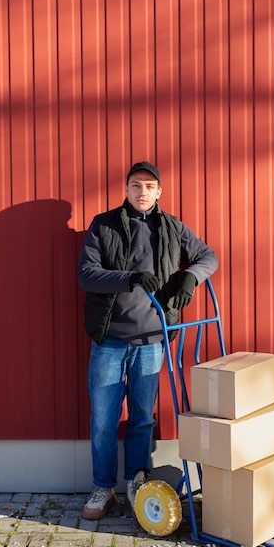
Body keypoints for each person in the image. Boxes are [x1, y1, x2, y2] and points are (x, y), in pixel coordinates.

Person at [77, 161, 218, 520]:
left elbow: (208, 256)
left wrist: (192, 278)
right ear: (126, 189)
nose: (143, 192)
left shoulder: (172, 227)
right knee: (103, 419)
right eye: (136, 185)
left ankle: (137, 481)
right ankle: (103, 487)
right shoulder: (103, 225)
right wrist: (131, 277)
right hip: (110, 338)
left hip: (153, 338)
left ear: (159, 192)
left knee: (142, 417)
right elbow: (87, 274)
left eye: (150, 186)